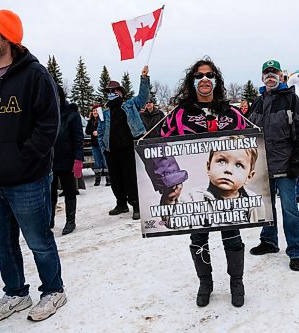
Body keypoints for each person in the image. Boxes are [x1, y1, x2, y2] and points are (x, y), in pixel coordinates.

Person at [0, 10, 65, 322]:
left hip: (26, 179)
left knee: (38, 241)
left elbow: (49, 125)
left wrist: (24, 157)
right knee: (1, 244)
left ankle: (54, 290)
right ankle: (16, 293)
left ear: (6, 35)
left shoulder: (36, 76)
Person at [160, 57, 247, 307]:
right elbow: (160, 147)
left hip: (227, 189)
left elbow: (250, 143)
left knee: (232, 235)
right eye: (199, 76)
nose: (204, 79)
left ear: (216, 80)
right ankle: (205, 282)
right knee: (198, 237)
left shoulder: (231, 114)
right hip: (197, 190)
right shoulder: (179, 114)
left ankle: (236, 282)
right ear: (192, 81)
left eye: (209, 75)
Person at [248, 60, 299, 272]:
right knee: (266, 208)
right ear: (262, 77)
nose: (270, 75)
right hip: (262, 166)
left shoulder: (291, 99)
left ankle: (295, 250)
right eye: (266, 72)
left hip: (286, 165)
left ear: (281, 76)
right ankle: (269, 241)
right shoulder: (258, 101)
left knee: (289, 209)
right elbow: (247, 133)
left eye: (274, 72)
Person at [97, 66, 150, 219]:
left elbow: (143, 97)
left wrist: (144, 78)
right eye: (108, 92)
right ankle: (121, 204)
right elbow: (100, 132)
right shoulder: (105, 113)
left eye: (113, 91)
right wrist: (103, 148)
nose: (111, 94)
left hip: (127, 149)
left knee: (130, 179)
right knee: (115, 180)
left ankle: (136, 205)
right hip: (111, 151)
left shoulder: (130, 105)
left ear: (120, 92)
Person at [50, 87, 83, 235]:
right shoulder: (46, 114)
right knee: (49, 192)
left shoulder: (72, 115)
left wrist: (78, 160)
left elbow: (78, 139)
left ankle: (70, 221)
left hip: (67, 160)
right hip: (48, 161)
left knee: (69, 191)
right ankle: (49, 219)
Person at [86, 104, 110, 186]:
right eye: (94, 111)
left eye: (96, 111)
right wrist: (93, 131)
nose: (95, 112)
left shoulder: (103, 120)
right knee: (97, 163)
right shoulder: (90, 121)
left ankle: (108, 179)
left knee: (105, 162)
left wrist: (99, 132)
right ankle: (97, 179)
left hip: (103, 144)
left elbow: (106, 129)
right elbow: (87, 131)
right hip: (94, 145)